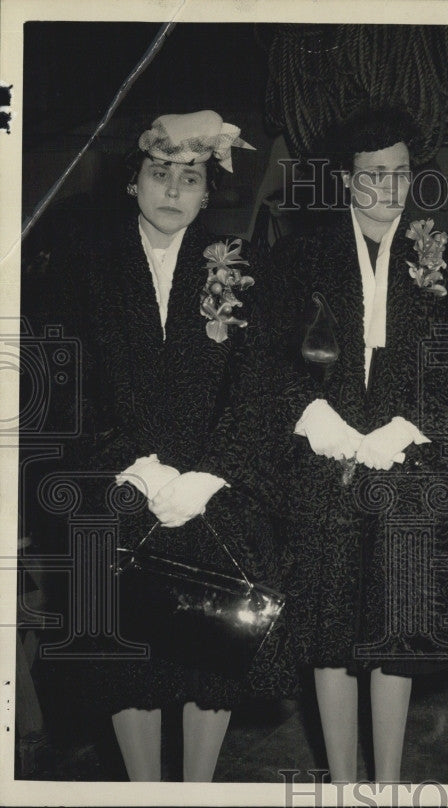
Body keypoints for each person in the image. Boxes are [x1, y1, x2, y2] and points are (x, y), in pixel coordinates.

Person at [214, 107, 448, 783]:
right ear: (344, 180)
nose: (386, 188)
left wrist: (406, 428)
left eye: (398, 173)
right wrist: (316, 418)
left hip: (405, 469)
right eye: (371, 175)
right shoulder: (297, 255)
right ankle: (340, 783)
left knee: (393, 626)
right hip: (321, 469)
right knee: (327, 629)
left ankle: (386, 784)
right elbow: (262, 363)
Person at [62, 110, 294, 781]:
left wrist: (209, 474)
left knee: (207, 654)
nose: (172, 188)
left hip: (209, 496)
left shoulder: (245, 268)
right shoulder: (89, 271)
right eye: (158, 173)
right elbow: (68, 379)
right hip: (123, 488)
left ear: (206, 190)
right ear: (132, 183)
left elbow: (262, 384)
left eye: (188, 176)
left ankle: (196, 791)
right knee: (126, 654)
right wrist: (132, 465)